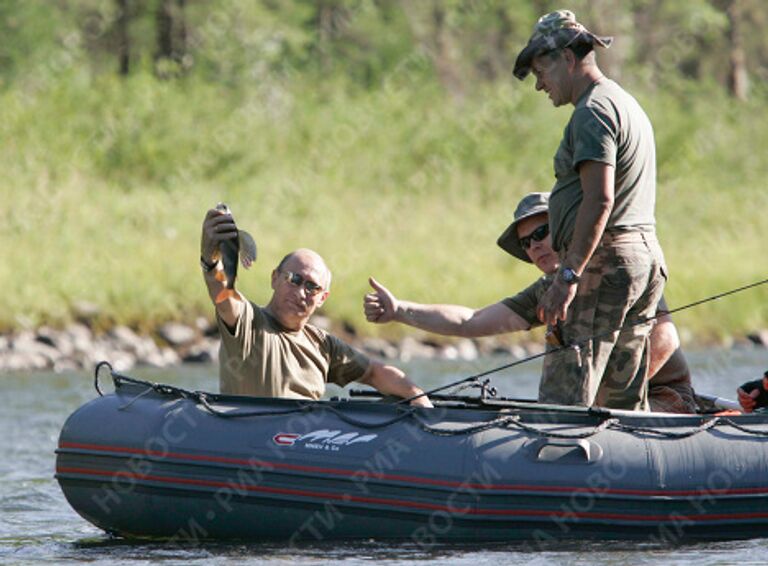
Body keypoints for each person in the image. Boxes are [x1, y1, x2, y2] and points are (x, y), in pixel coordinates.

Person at [365, 192, 697, 413]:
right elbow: (471, 321)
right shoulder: (548, 291)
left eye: (542, 233)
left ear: (567, 229)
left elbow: (665, 340)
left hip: (661, 401)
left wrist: (604, 399)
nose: (534, 246)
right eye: (526, 243)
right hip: (597, 414)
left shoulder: (613, 269)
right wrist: (399, 310)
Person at [510, 10, 667, 410]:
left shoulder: (592, 112)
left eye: (539, 70)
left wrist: (568, 274)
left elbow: (600, 199)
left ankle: (553, 467)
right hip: (642, 261)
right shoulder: (624, 102)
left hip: (603, 265)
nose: (538, 85)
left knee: (563, 404)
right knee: (621, 405)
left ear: (567, 57)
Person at [200, 207, 432, 407]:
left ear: (323, 298)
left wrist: (417, 396)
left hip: (304, 448)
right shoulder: (247, 322)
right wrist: (210, 259)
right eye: (294, 279)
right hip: (252, 443)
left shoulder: (323, 344)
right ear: (275, 278)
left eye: (312, 287)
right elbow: (223, 294)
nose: (301, 292)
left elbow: (374, 372)